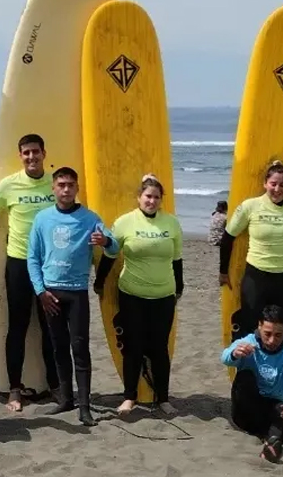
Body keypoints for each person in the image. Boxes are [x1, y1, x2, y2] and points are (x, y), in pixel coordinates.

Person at [26, 166, 117, 426]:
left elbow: (114, 248)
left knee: (80, 349)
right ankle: (66, 399)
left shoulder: (90, 218)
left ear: (77, 188)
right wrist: (40, 291)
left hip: (77, 292)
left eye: (70, 185)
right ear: (53, 188)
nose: (66, 189)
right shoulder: (42, 219)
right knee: (58, 348)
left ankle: (84, 406)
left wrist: (106, 242)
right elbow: (33, 258)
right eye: (61, 185)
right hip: (50, 294)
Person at [0, 133, 58, 412]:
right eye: (26, 153)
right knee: (18, 328)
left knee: (50, 328)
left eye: (36, 152)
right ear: (20, 156)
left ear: (44, 153)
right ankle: (14, 390)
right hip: (19, 263)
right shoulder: (9, 185)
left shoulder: (55, 183)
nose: (31, 157)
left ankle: (56, 387)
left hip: (51, 266)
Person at [93, 173, 183, 416]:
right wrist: (100, 282)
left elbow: (177, 260)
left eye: (156, 197)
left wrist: (179, 287)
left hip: (163, 296)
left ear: (161, 199)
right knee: (133, 348)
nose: (151, 201)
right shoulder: (125, 222)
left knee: (159, 349)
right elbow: (111, 253)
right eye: (147, 196)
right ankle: (129, 398)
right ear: (139, 198)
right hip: (132, 294)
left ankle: (163, 398)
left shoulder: (172, 223)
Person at [219, 162, 283, 342]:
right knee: (252, 332)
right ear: (265, 183)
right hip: (256, 279)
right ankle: (252, 370)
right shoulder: (250, 206)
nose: (277, 189)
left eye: (282, 185)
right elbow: (228, 237)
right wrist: (223, 271)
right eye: (273, 183)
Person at [221, 304, 283, 464]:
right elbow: (224, 357)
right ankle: (269, 436)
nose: (272, 340)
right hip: (245, 410)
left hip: (271, 407)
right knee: (245, 377)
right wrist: (234, 354)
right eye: (267, 334)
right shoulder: (248, 342)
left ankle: (272, 444)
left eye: (278, 335)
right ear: (259, 327)